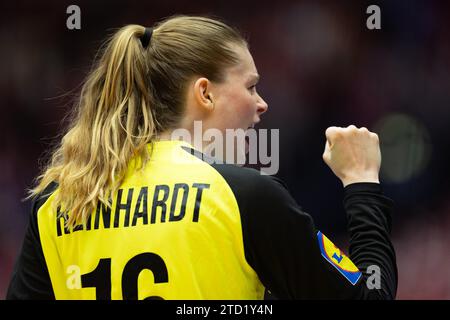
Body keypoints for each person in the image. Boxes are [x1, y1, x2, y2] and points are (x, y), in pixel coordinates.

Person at [6, 15, 397, 300]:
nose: (262, 104)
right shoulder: (240, 196)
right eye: (251, 86)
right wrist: (361, 181)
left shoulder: (61, 202)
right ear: (205, 93)